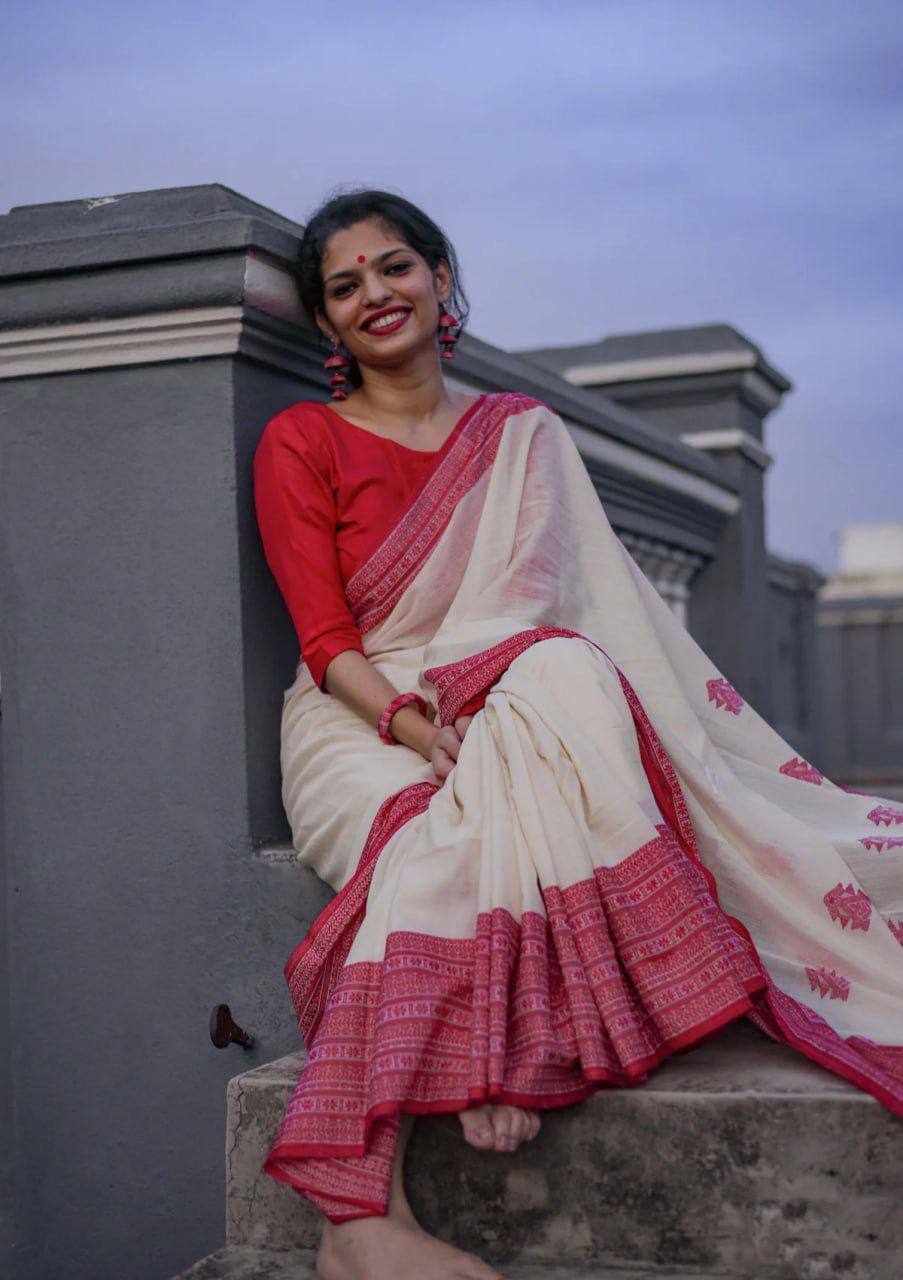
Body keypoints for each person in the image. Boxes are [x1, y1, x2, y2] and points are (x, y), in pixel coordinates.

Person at [252, 189, 903, 1280]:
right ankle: (361, 1217)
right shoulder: (302, 438)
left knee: (561, 676)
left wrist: (477, 718)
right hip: (359, 714)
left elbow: (535, 606)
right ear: (325, 321)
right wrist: (413, 725)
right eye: (344, 286)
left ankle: (494, 1051)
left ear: (441, 278)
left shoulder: (520, 435)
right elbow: (326, 639)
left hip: (502, 696)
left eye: (394, 267)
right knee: (434, 834)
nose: (375, 295)